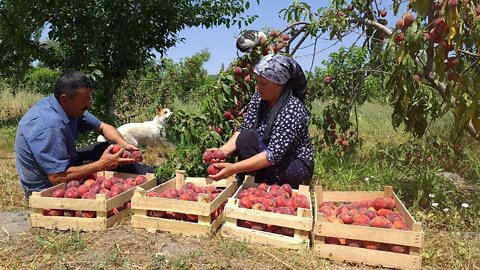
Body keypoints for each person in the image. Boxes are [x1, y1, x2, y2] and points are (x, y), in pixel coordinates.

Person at [15, 71, 154, 198]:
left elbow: (103, 127)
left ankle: (149, 174)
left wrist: (124, 144)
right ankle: (150, 178)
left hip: (65, 165)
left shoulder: (67, 107)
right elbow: (56, 177)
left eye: (89, 98)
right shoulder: (48, 125)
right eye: (85, 99)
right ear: (64, 99)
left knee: (112, 148)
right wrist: (101, 165)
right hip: (48, 188)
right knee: (109, 158)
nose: (89, 104)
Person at [208, 54, 314, 188]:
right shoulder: (259, 98)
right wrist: (222, 152)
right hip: (268, 156)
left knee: (279, 170)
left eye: (263, 83)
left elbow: (273, 155)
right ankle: (255, 184)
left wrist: (234, 168)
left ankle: (268, 185)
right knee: (245, 138)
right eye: (257, 82)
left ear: (280, 83)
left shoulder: (292, 108)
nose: (258, 87)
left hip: (293, 164)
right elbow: (244, 129)